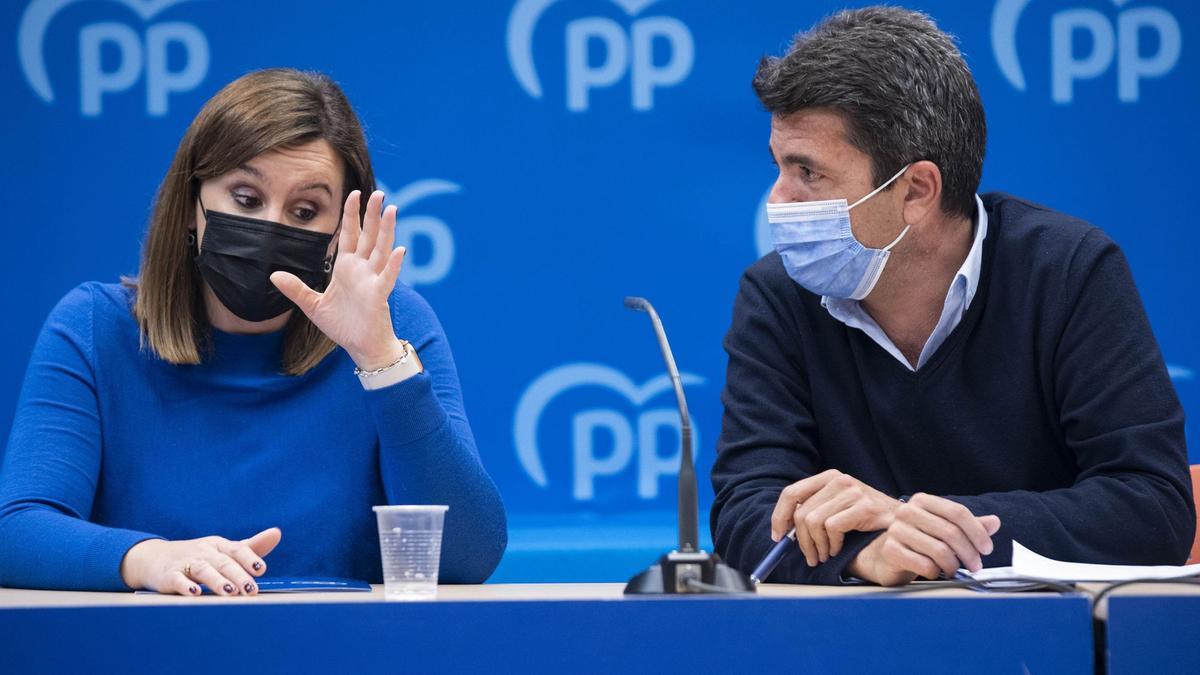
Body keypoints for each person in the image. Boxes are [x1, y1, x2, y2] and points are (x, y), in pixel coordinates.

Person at [710, 7, 1193, 586]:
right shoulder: (777, 295)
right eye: (780, 167)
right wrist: (867, 551)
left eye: (807, 173)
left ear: (916, 190)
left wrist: (925, 525)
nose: (778, 200)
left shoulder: (1067, 270)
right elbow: (745, 510)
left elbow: (1152, 507)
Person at [0, 68, 507, 595]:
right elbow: (16, 532)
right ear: (192, 207)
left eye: (306, 210)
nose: (271, 227)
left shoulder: (392, 325)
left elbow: (468, 555)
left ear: (340, 230)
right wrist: (146, 559)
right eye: (245, 199)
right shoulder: (94, 329)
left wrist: (378, 357)